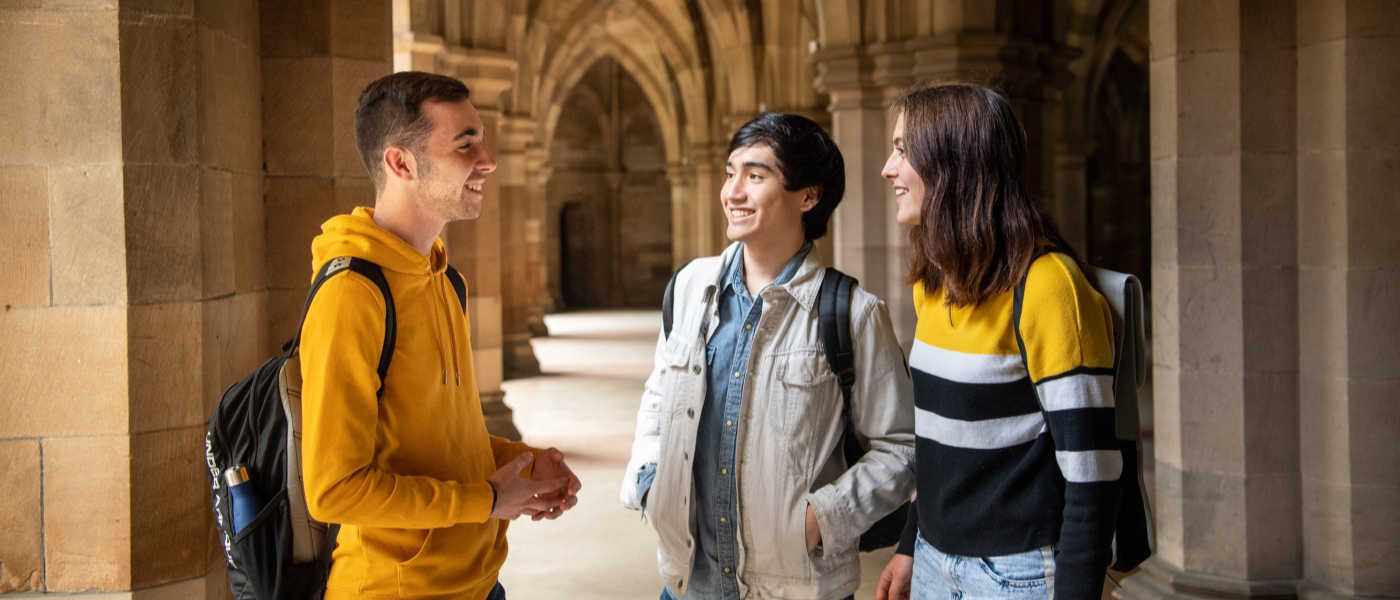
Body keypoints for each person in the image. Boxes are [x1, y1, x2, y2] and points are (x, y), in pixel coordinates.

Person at [299, 71, 582, 600]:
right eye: (465, 143)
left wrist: (518, 463)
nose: (488, 159)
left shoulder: (446, 279)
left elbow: (435, 441)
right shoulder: (353, 293)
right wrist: (487, 501)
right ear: (400, 163)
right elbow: (334, 490)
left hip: (477, 583)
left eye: (482, 138)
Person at [620, 112, 916, 600]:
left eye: (755, 176)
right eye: (729, 173)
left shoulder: (853, 314)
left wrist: (822, 518)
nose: (732, 192)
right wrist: (650, 480)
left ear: (808, 196)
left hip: (798, 588)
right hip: (687, 584)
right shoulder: (689, 288)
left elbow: (901, 446)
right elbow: (658, 398)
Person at [873, 83, 1121, 600]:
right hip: (935, 565)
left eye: (902, 150)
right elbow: (941, 448)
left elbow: (1092, 482)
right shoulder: (933, 282)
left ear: (953, 162)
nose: (888, 169)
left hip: (1018, 576)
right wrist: (910, 544)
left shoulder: (1050, 286)